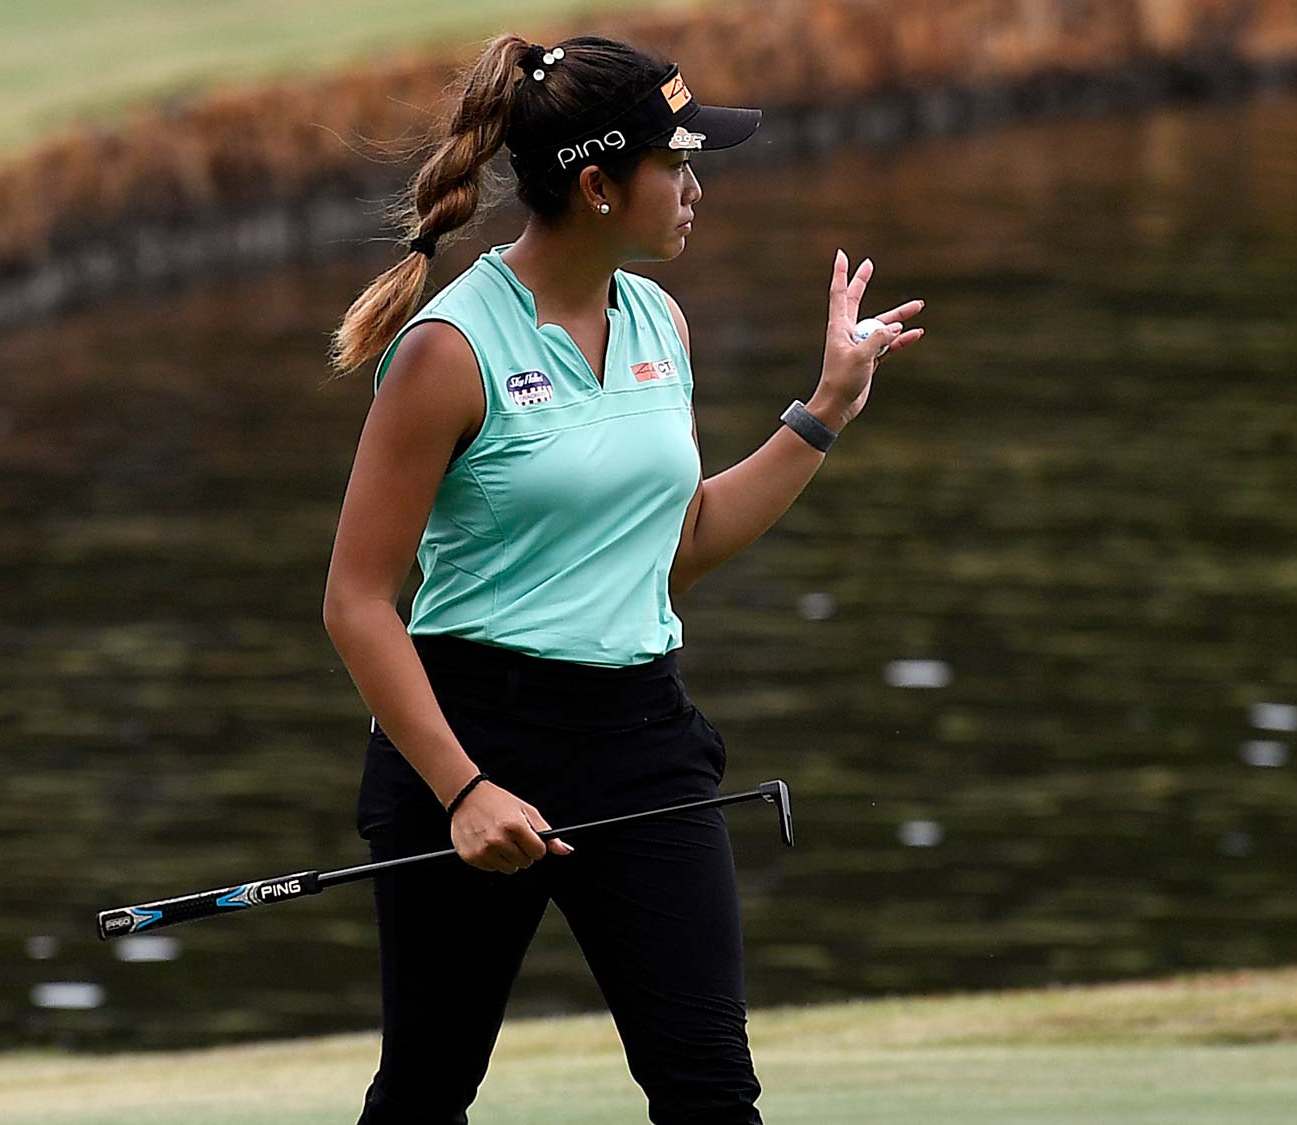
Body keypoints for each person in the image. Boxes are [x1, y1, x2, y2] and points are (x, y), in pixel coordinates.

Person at [319, 31, 925, 1124]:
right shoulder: (447, 350)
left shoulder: (659, 321)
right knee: (425, 1092)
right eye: (676, 166)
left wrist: (823, 409)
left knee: (708, 1093)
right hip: (468, 732)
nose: (695, 189)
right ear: (598, 185)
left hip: (641, 740)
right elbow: (356, 602)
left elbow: (672, 542)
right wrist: (462, 792)